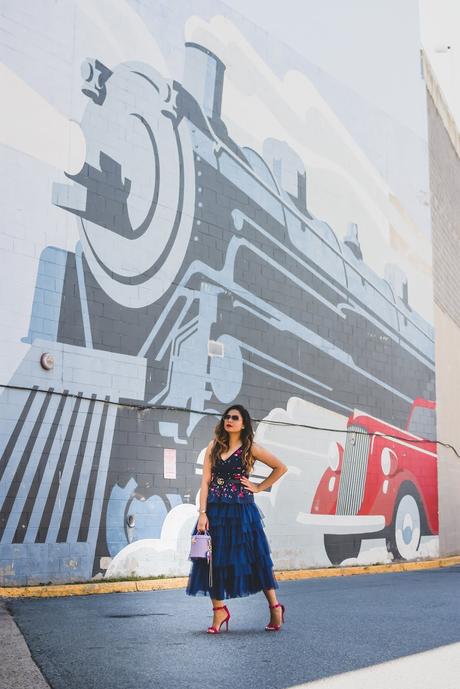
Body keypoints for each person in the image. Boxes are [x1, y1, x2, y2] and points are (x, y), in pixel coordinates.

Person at [186, 404, 288, 633]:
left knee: (256, 559)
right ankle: (219, 611)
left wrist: (259, 486)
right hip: (214, 511)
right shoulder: (213, 446)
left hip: (242, 512)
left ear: (243, 424)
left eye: (235, 417)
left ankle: (275, 606)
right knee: (211, 560)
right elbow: (205, 481)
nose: (229, 420)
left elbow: (280, 467)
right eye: (227, 417)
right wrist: (202, 513)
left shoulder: (250, 448)